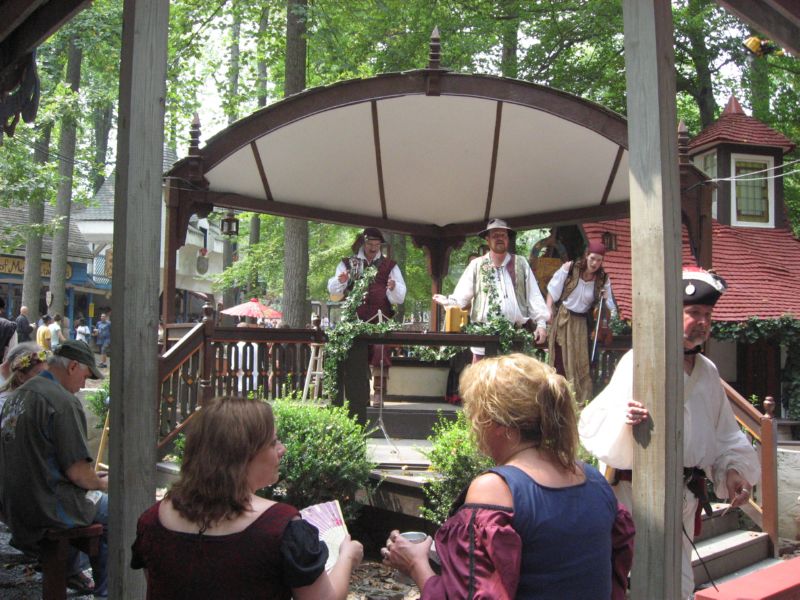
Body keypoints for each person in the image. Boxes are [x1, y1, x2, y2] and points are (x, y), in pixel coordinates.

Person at [382, 354, 634, 599]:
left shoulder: (495, 490)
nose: (473, 425)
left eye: (475, 414)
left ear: (500, 425)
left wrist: (416, 564)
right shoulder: (592, 479)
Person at [578, 267, 761, 599]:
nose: (702, 321)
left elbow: (724, 436)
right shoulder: (638, 361)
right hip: (637, 495)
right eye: (694, 313)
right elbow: (600, 421)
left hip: (684, 497)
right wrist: (625, 419)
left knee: (679, 583)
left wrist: (733, 472)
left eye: (707, 315)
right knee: (632, 577)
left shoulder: (708, 372)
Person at [131, 396, 363, 600]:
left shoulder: (153, 521)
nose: (282, 449)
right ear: (243, 456)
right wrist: (347, 557)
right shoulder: (281, 527)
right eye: (273, 442)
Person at [0, 340, 108, 598]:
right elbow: (78, 473)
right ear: (73, 366)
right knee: (120, 511)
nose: (83, 384)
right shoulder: (62, 401)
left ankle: (74, 571)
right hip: (47, 506)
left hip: (15, 506)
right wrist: (103, 483)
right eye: (85, 376)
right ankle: (108, 593)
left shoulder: (17, 396)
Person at [434, 218, 549, 361]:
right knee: (483, 376)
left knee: (513, 376)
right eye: (495, 235)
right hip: (483, 339)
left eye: (503, 235)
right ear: (487, 240)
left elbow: (534, 295)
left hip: (515, 337)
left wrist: (541, 324)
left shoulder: (521, 263)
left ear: (507, 239)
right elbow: (461, 297)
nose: (500, 238)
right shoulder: (477, 265)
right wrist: (448, 301)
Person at [327, 228, 406, 406]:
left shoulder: (389, 266)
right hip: (355, 320)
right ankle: (359, 395)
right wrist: (341, 281)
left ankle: (379, 392)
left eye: (377, 245)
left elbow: (400, 297)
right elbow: (333, 291)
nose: (373, 248)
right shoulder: (348, 263)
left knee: (380, 349)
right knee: (356, 353)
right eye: (370, 244)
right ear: (363, 243)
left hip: (380, 320)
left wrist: (393, 286)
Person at [545, 240, 617, 404]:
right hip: (564, 320)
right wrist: (548, 309)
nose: (595, 263)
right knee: (561, 361)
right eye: (592, 258)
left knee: (581, 363)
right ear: (586, 255)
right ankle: (559, 400)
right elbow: (552, 291)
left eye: (599, 260)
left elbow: (609, 307)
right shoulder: (570, 269)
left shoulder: (603, 279)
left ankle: (580, 402)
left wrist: (605, 299)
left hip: (583, 323)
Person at [0, 342, 47, 415]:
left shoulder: (38, 399)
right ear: (21, 377)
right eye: (39, 374)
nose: (46, 379)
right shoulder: (4, 403)